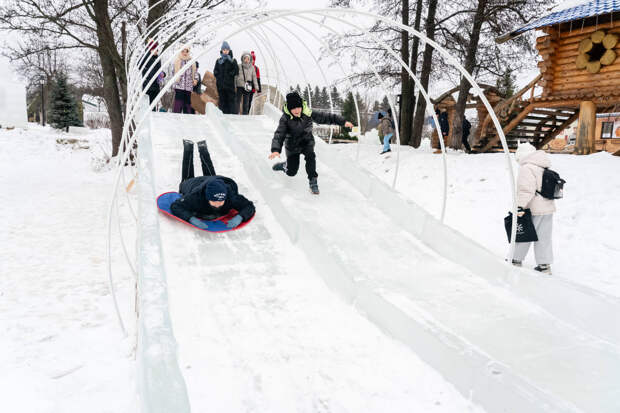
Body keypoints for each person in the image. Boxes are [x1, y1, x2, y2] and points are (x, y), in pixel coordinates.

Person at [269, 91, 354, 195]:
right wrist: (276, 150)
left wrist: (343, 122)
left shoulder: (308, 113)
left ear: (301, 106)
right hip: (292, 145)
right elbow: (279, 134)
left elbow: (326, 117)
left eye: (298, 107)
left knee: (310, 157)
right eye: (293, 108)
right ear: (289, 109)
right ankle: (284, 166)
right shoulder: (285, 118)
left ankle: (313, 181)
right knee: (292, 172)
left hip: (306, 141)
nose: (296, 110)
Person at [170, 139, 255, 230]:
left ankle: (203, 150)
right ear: (207, 197)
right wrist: (190, 218)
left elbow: (249, 206)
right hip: (192, 183)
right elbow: (176, 206)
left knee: (213, 178)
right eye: (214, 201)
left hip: (213, 180)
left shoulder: (230, 197)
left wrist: (240, 217)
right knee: (187, 178)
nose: (218, 204)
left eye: (221, 201)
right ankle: (188, 149)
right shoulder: (195, 197)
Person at [511, 142, 555, 274]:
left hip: (533, 209)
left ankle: (515, 260)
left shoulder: (527, 167)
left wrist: (519, 206)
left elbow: (526, 190)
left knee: (525, 234)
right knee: (544, 238)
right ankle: (544, 266)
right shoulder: (542, 165)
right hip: (548, 207)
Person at [213, 41, 239, 114]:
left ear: (229, 50)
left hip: (230, 85)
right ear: (222, 50)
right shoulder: (218, 61)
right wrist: (218, 76)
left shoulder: (233, 60)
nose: (225, 51)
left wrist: (230, 74)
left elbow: (236, 70)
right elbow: (215, 71)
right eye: (224, 50)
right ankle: (223, 114)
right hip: (221, 85)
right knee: (222, 100)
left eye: (227, 50)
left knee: (231, 100)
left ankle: (232, 115)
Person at [172, 47, 197, 113]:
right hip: (179, 85)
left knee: (187, 104)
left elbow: (195, 72)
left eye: (186, 51)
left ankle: (187, 118)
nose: (185, 53)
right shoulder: (177, 60)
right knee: (178, 104)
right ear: (180, 52)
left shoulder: (192, 61)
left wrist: (195, 79)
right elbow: (173, 72)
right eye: (183, 51)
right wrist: (175, 80)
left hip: (188, 86)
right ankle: (176, 117)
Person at [235, 51, 259, 115]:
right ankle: (235, 113)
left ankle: (245, 114)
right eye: (245, 58)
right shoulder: (239, 66)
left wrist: (256, 87)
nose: (246, 60)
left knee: (246, 101)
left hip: (247, 86)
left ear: (250, 60)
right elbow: (235, 76)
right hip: (239, 85)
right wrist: (234, 84)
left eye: (248, 59)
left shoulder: (252, 68)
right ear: (242, 58)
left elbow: (254, 77)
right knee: (237, 100)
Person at [140, 39, 161, 110]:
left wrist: (162, 74)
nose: (156, 51)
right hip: (147, 86)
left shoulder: (157, 59)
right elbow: (139, 66)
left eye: (157, 49)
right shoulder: (146, 58)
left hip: (155, 86)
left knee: (153, 107)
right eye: (155, 49)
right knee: (146, 107)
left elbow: (159, 71)